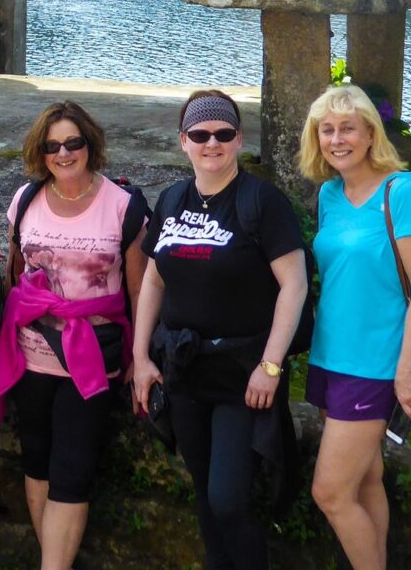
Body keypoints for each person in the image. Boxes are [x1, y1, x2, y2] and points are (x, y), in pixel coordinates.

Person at [131, 90, 309, 570]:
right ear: (182, 141)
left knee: (228, 497)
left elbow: (294, 286)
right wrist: (141, 359)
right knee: (205, 494)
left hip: (242, 375)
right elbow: (153, 278)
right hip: (184, 368)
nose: (213, 143)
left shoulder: (261, 203)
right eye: (201, 134)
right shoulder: (171, 199)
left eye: (224, 134)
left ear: (238, 140)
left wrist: (271, 365)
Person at [0, 101, 147, 570]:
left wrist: (140, 358)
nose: (63, 153)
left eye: (73, 143)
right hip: (30, 354)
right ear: (41, 152)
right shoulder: (26, 199)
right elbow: (13, 276)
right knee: (36, 464)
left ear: (90, 145)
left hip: (92, 356)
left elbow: (139, 291)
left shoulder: (124, 207)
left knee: (71, 474)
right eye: (52, 146)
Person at [298, 84, 411, 570]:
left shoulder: (404, 193)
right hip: (330, 356)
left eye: (348, 128)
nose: (337, 140)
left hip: (375, 363)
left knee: (331, 492)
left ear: (370, 133)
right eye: (327, 130)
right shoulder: (329, 195)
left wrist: (408, 370)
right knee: (365, 480)